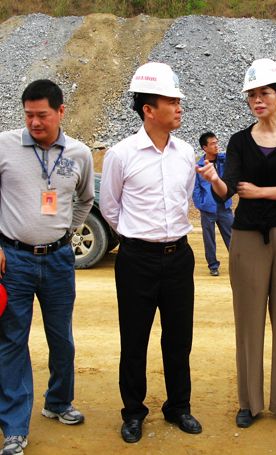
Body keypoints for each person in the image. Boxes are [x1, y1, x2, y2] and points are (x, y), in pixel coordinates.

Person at [197, 58, 276, 428]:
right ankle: (249, 402)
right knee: (248, 321)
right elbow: (228, 190)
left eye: (264, 93)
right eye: (252, 95)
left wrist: (262, 192)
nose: (257, 100)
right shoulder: (239, 141)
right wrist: (215, 179)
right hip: (247, 238)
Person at [100, 62, 202, 444]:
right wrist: (138, 238)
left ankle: (178, 406)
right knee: (134, 340)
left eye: (178, 101)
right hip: (136, 261)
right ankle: (133, 412)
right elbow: (110, 207)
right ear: (148, 109)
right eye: (171, 101)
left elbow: (184, 197)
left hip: (179, 257)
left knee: (179, 339)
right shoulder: (121, 154)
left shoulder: (185, 153)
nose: (179, 107)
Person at [0, 79, 94, 455]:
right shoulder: (4, 146)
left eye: (42, 115)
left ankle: (58, 402)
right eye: (28, 115)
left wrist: (67, 233)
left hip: (58, 260)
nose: (35, 122)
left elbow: (85, 199)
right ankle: (14, 428)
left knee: (62, 338)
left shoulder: (79, 154)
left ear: (60, 112)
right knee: (12, 341)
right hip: (13, 260)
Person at [193, 132, 233, 276]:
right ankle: (213, 266)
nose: (216, 146)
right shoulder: (199, 167)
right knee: (209, 239)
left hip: (224, 206)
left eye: (217, 142)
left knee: (233, 237)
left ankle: (238, 263)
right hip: (208, 208)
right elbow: (195, 188)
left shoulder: (224, 160)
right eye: (213, 143)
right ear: (205, 147)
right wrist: (202, 204)